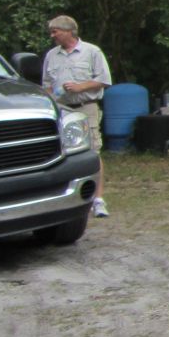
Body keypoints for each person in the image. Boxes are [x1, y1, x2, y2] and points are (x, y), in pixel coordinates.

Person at [42, 15, 112, 217]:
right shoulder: (51, 56)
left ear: (68, 31)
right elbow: (46, 84)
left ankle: (98, 200)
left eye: (55, 31)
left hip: (86, 107)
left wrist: (80, 87)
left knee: (92, 152)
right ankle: (65, 197)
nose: (52, 35)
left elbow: (104, 80)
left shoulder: (92, 52)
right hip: (61, 110)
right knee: (62, 152)